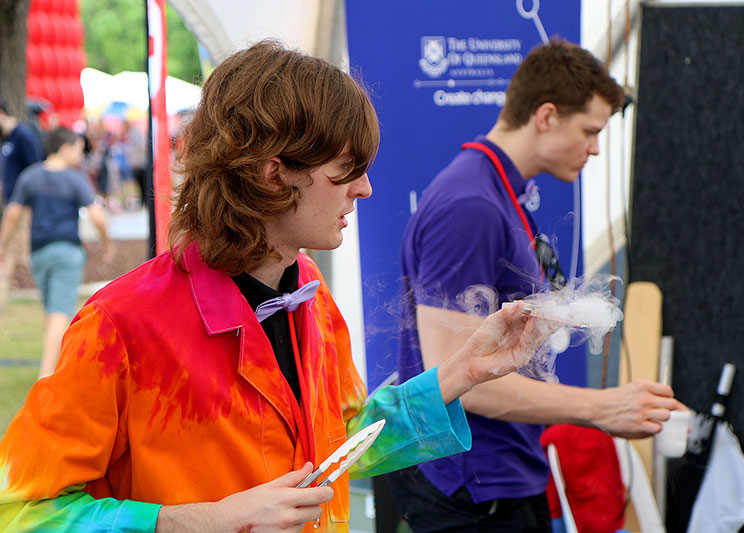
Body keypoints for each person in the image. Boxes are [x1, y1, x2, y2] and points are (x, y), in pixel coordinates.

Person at [0, 40, 561, 532]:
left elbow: (340, 446)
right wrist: (193, 522)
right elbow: (23, 512)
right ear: (275, 173)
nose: (364, 190)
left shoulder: (309, 291)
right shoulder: (119, 325)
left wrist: (464, 370)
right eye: (348, 167)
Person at [386, 38, 682, 532]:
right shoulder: (471, 206)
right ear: (546, 116)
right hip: (472, 488)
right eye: (590, 130)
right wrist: (603, 407)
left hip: (504, 472)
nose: (596, 148)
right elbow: (457, 380)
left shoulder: (502, 193)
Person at [0, 128, 113, 378]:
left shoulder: (30, 176)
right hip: (67, 253)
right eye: (77, 149)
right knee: (59, 311)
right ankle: (47, 376)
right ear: (64, 148)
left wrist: (3, 246)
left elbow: (12, 214)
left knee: (52, 310)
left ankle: (57, 367)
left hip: (38, 254)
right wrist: (108, 242)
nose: (80, 155)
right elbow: (96, 216)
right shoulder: (75, 178)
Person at [0, 98, 45, 309]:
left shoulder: (23, 135)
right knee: (8, 248)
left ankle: (25, 289)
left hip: (23, 205)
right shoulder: (6, 139)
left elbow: (36, 169)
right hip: (11, 202)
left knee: (13, 248)